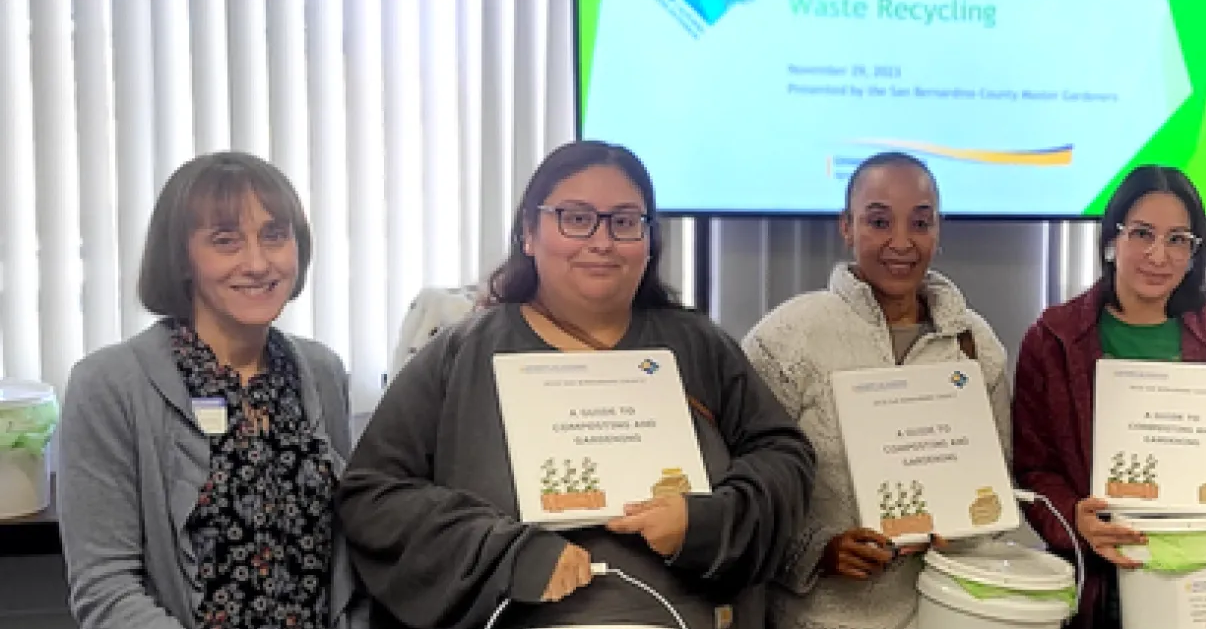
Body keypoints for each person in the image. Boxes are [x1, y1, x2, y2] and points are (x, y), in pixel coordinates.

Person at [337, 141, 817, 629]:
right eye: (575, 217)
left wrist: (703, 524)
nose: (602, 241)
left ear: (650, 241)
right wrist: (507, 555)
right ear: (529, 232)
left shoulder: (696, 346)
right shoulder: (464, 353)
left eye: (625, 221)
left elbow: (784, 457)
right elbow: (374, 496)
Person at [55, 151, 365, 629]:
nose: (258, 263)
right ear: (182, 258)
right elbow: (106, 588)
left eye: (275, 236)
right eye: (226, 241)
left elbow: (345, 564)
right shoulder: (109, 385)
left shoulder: (320, 372)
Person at [1010, 164, 1206, 629]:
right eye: (1142, 234)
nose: (1158, 256)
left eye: (1178, 239)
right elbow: (1033, 468)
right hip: (1101, 586)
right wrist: (1073, 518)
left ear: (1194, 253)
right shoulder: (1053, 339)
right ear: (1112, 239)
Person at [743, 152, 1012, 629]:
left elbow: (998, 481)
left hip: (946, 609)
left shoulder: (974, 344)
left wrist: (966, 524)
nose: (901, 242)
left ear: (939, 230)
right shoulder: (788, 338)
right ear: (846, 226)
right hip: (819, 617)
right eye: (879, 221)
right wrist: (817, 552)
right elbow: (746, 490)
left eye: (921, 223)